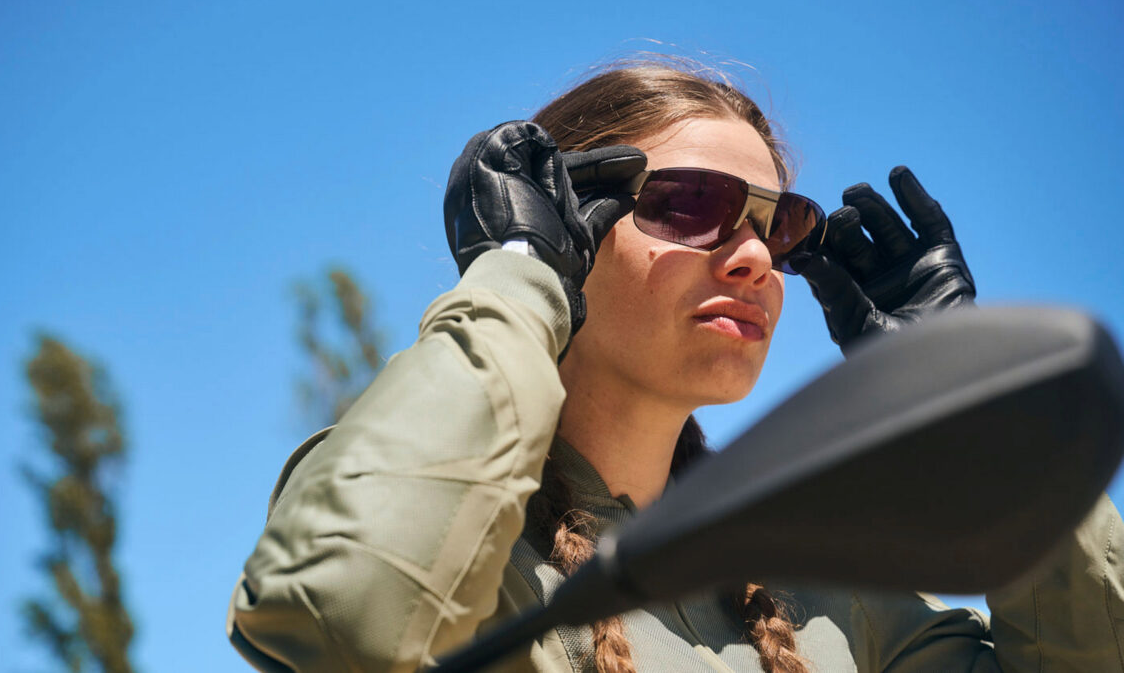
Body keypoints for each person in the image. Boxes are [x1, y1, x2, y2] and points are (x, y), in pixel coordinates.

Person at [227, 60, 1124, 672]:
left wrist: (967, 406)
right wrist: (520, 279)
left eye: (777, 225)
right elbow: (342, 613)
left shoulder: (834, 595)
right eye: (692, 204)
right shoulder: (448, 535)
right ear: (563, 220)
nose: (756, 260)